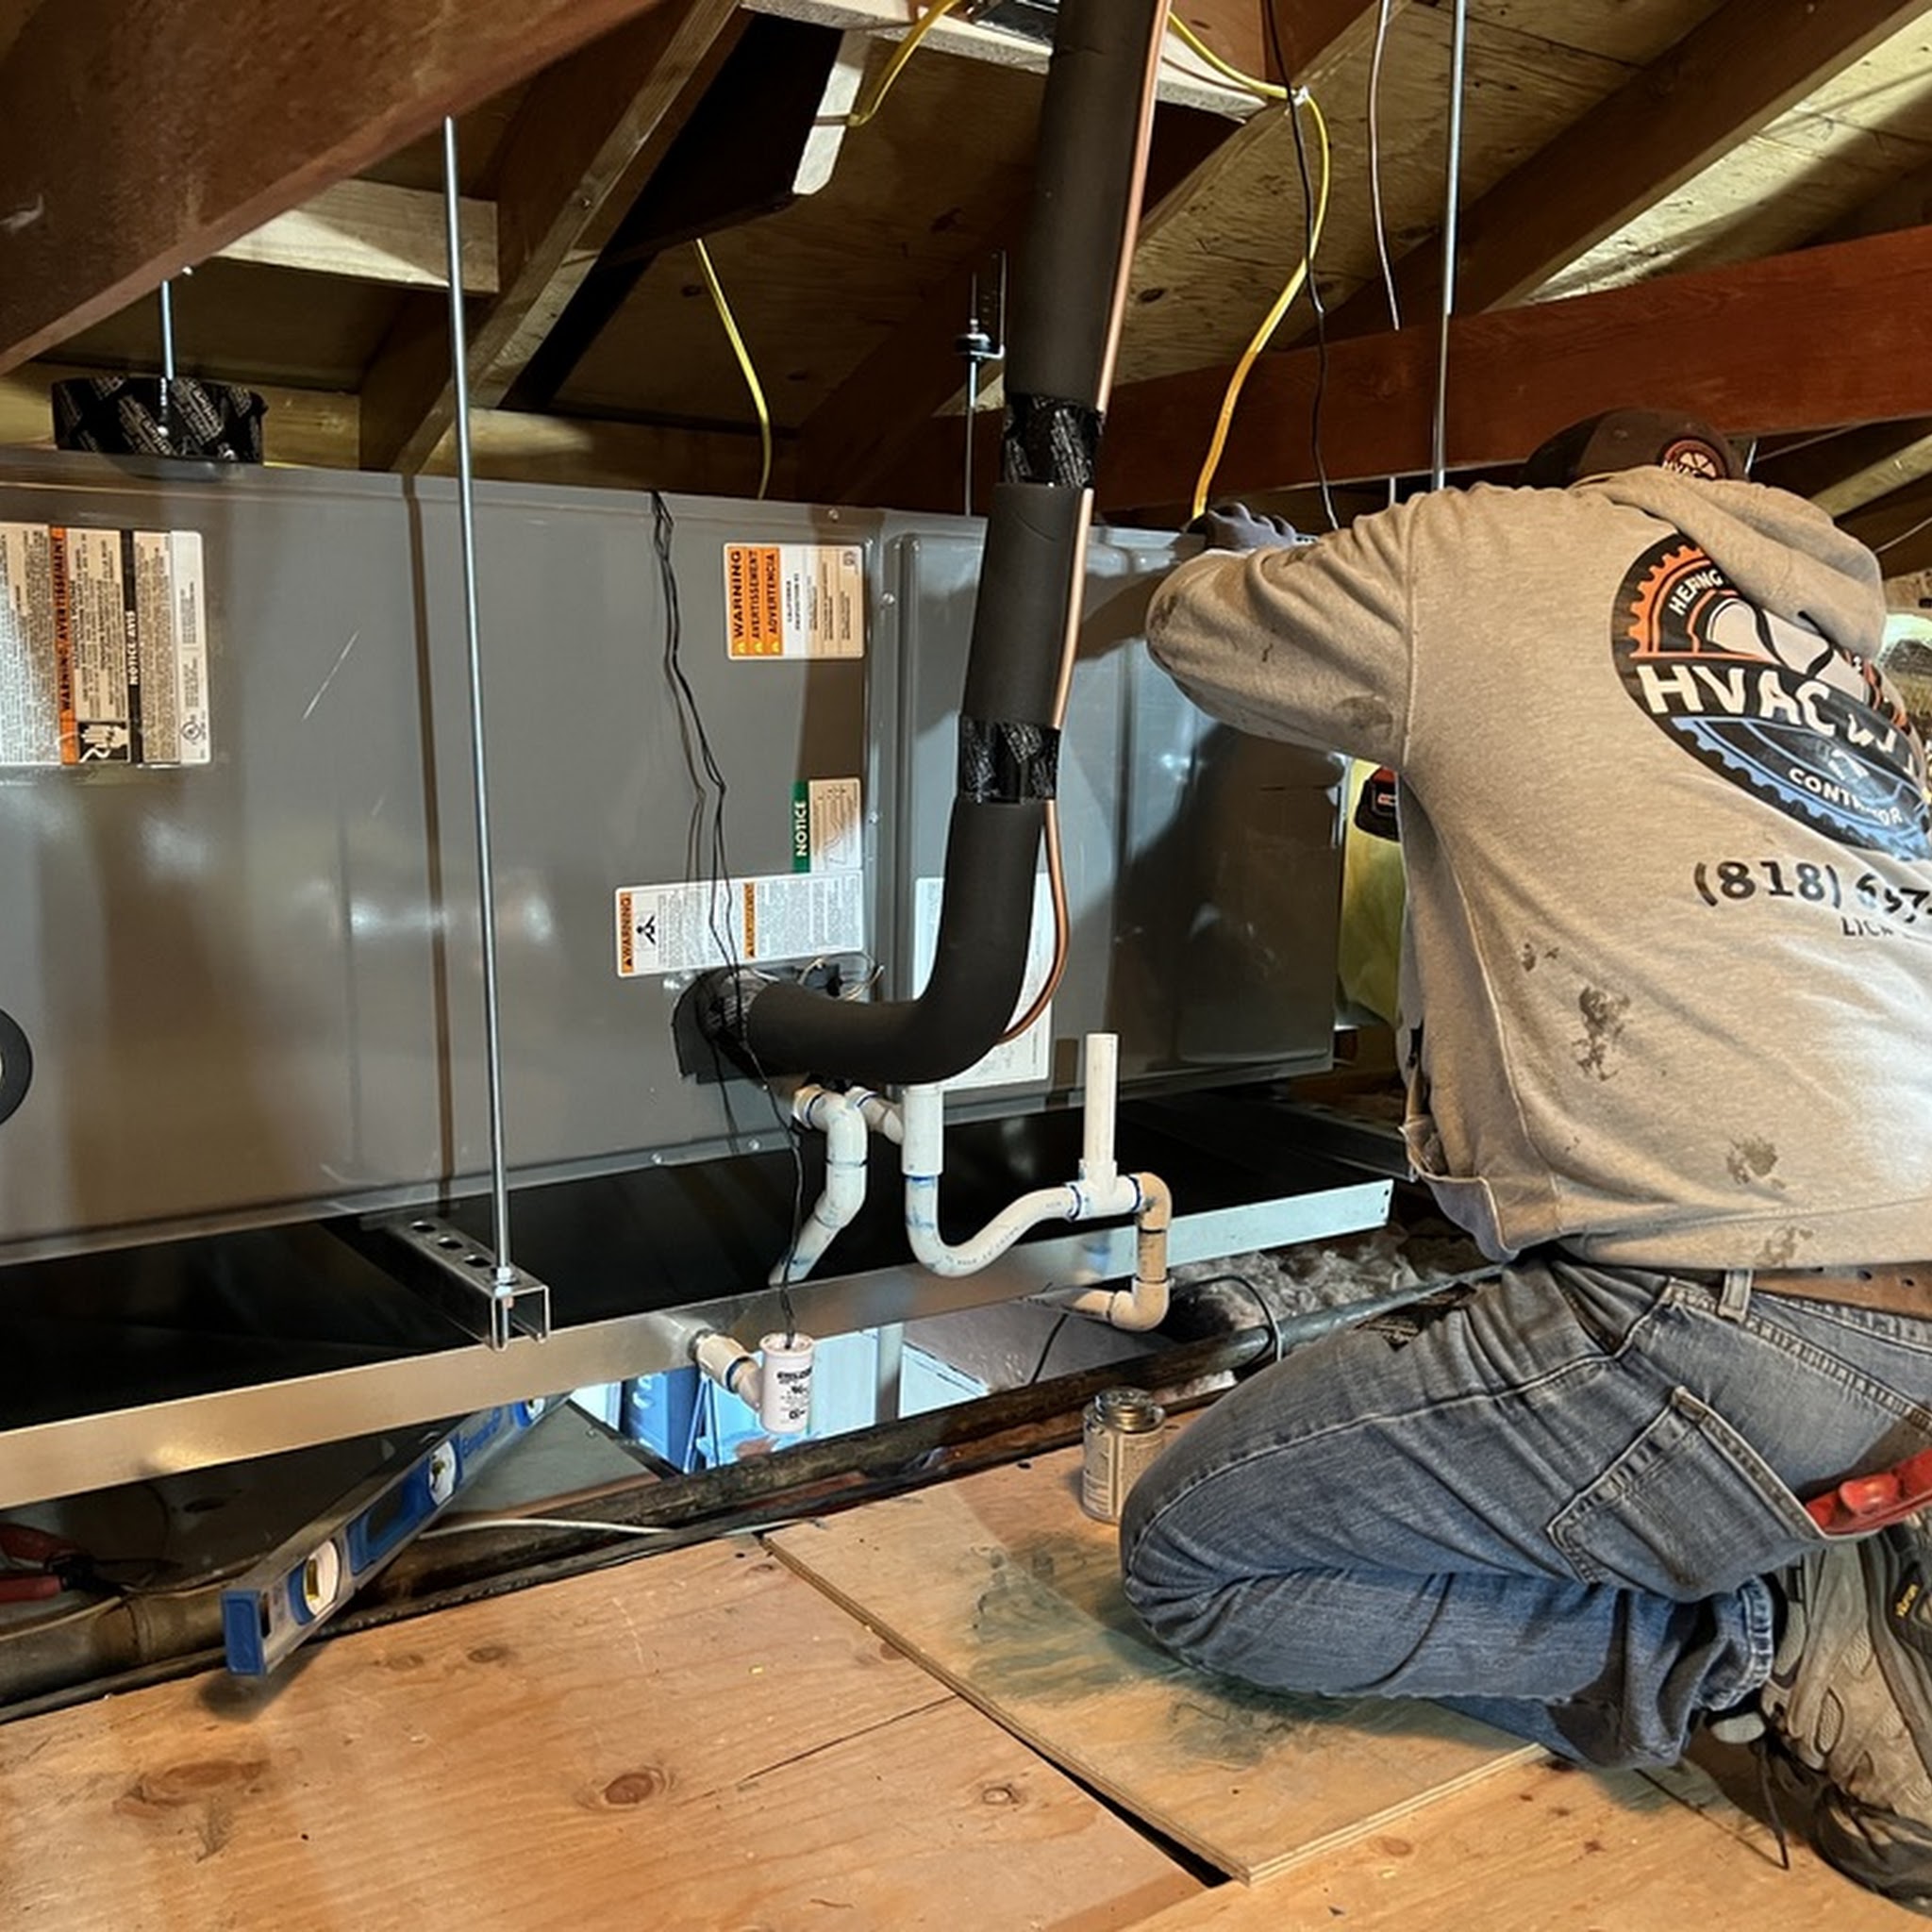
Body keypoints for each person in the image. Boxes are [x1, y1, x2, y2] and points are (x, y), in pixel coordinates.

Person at [1120, 408, 1932, 1908]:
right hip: (1878, 1289)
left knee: (1191, 1559)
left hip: (1725, 1312)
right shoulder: (1843, 663)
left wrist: (1244, 558)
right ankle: (1805, 1535)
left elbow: (1198, 630)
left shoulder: (1483, 550)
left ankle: (1732, 1645)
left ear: (1564, 488)